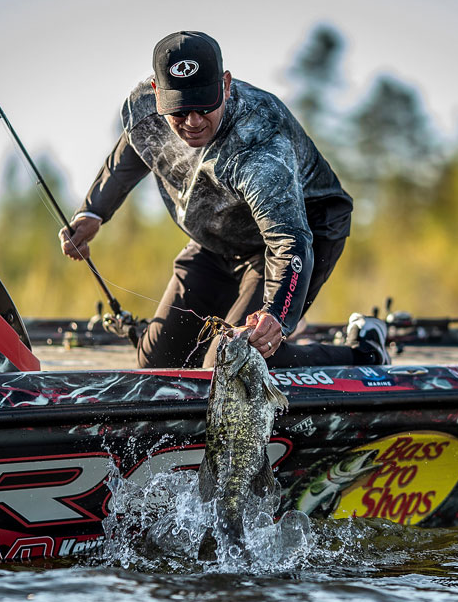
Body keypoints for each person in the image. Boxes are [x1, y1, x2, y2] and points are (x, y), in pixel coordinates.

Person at [59, 31, 389, 369]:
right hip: (218, 237)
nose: (193, 122)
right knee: (156, 364)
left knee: (230, 360)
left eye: (204, 106)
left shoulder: (260, 142)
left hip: (295, 236)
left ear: (226, 85)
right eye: (179, 110)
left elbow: (288, 240)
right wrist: (93, 211)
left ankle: (365, 353)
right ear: (157, 95)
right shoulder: (143, 107)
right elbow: (135, 146)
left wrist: (276, 314)